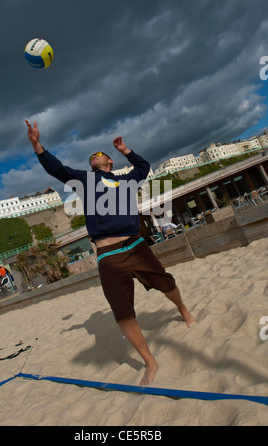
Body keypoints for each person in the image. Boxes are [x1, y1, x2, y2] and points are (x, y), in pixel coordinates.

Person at [25, 120, 195, 385]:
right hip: (108, 255)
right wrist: (37, 145)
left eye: (99, 154)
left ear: (110, 162)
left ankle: (183, 309)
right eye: (91, 155)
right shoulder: (85, 180)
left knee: (165, 282)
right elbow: (56, 169)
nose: (95, 155)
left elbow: (144, 167)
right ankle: (150, 362)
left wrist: (126, 150)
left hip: (136, 246)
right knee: (122, 312)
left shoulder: (127, 180)